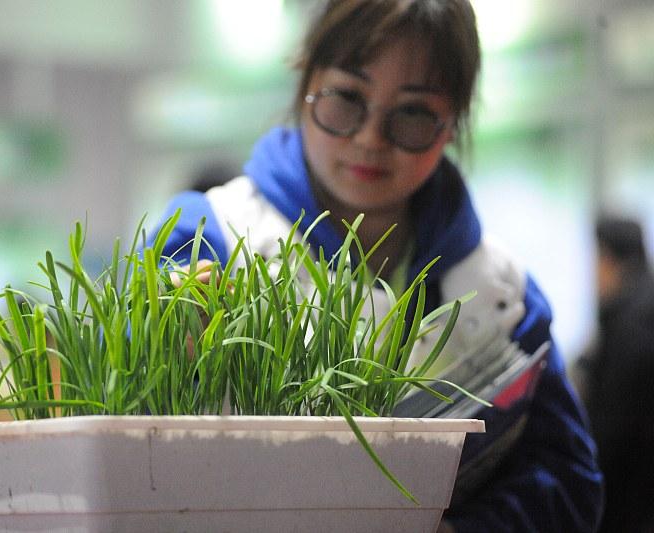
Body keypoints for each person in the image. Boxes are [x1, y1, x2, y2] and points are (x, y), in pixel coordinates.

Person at [150, 1, 603, 531]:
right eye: (346, 99)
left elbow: (570, 484)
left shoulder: (504, 294)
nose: (370, 138)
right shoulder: (209, 238)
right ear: (304, 82)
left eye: (411, 113)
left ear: (453, 120)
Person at [575, 215, 654, 532]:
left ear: (607, 258)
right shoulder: (642, 309)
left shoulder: (626, 323)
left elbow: (612, 426)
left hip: (630, 498)